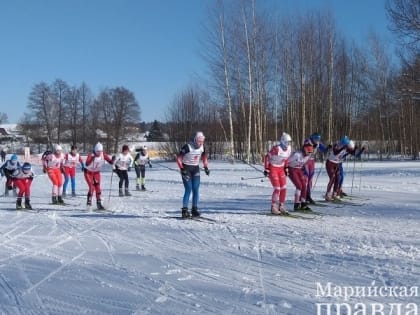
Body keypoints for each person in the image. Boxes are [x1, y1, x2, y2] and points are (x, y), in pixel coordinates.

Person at [176, 131, 210, 218]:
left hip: (195, 169)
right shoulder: (188, 146)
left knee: (196, 189)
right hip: (186, 168)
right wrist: (182, 168)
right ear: (195, 140)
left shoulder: (202, 147)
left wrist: (206, 167)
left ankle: (194, 209)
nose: (200, 143)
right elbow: (179, 158)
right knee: (188, 188)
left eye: (202, 141)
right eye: (199, 141)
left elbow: (204, 157)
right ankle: (184, 210)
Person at [325, 136, 365, 201]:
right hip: (330, 163)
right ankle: (327, 194)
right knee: (333, 178)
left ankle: (334, 194)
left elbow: (356, 155)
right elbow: (335, 152)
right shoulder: (337, 145)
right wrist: (343, 148)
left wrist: (361, 150)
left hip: (337, 164)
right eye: (349, 146)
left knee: (338, 179)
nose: (350, 148)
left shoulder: (347, 149)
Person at [264, 132, 292, 214]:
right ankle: (273, 207)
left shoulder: (289, 148)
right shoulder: (276, 149)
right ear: (282, 141)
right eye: (287, 142)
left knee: (284, 188)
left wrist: (286, 167)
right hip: (273, 168)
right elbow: (267, 157)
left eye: (289, 142)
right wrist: (266, 169)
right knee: (277, 188)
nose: (288, 144)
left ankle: (281, 205)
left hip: (281, 169)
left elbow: (286, 158)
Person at [84, 142, 114, 209]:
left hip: (96, 172)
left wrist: (113, 160)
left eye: (100, 151)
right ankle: (89, 201)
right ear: (95, 150)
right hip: (88, 172)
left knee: (98, 187)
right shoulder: (91, 155)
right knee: (92, 187)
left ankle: (99, 203)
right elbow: (87, 164)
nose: (99, 153)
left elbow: (110, 161)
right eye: (97, 151)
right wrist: (92, 158)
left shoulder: (103, 155)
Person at [304, 132, 330, 204]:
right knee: (305, 179)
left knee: (310, 179)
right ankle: (303, 196)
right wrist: (314, 146)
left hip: (311, 162)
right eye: (315, 139)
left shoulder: (317, 143)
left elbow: (324, 149)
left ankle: (308, 196)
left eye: (318, 139)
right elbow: (308, 150)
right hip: (305, 161)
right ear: (312, 138)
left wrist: (327, 148)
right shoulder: (307, 141)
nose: (317, 140)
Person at [288, 140, 314, 211]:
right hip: (292, 169)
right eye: (308, 150)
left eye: (311, 150)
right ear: (304, 148)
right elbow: (287, 161)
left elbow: (304, 163)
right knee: (299, 186)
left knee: (304, 186)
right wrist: (285, 169)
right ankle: (296, 204)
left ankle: (303, 204)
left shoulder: (308, 155)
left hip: (299, 169)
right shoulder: (297, 154)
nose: (309, 153)